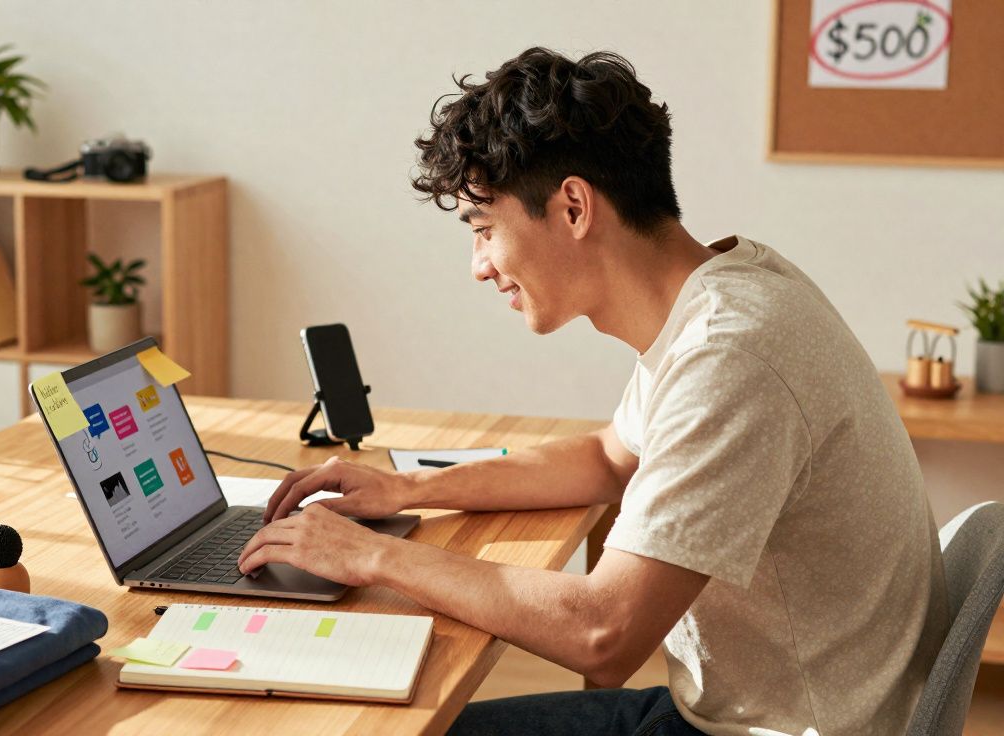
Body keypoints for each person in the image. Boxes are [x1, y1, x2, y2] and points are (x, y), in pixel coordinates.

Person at [237, 47, 948, 735]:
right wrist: (409, 491)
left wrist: (372, 556)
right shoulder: (731, 292)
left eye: (484, 229)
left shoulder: (733, 355)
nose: (479, 267)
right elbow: (610, 458)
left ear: (574, 207)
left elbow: (603, 635)